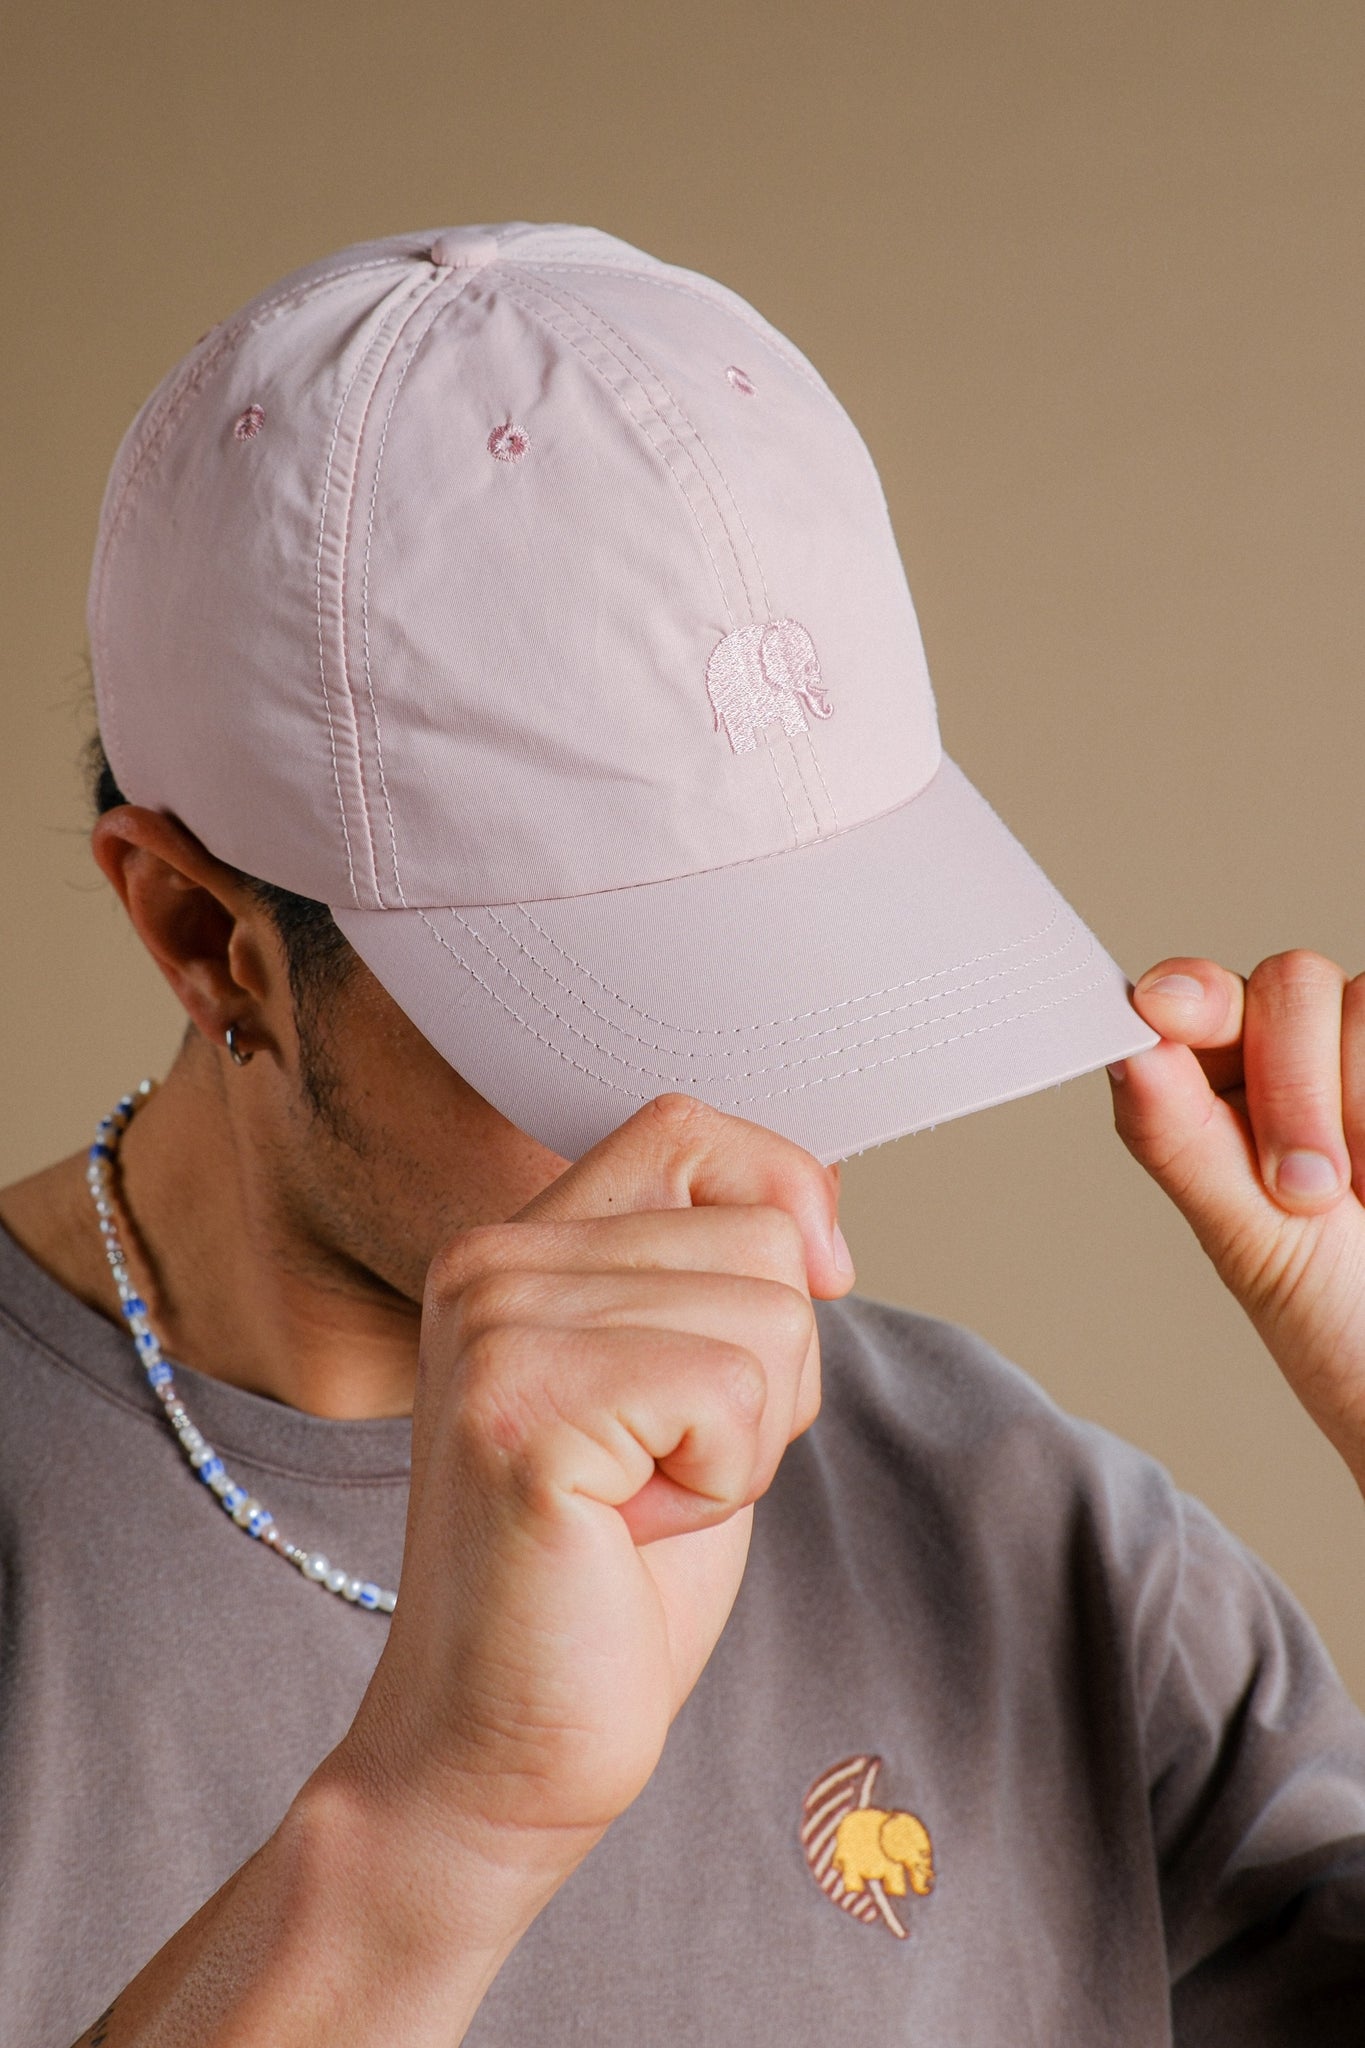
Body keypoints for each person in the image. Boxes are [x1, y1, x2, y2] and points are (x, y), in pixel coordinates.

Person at [1, 221, 1363, 2047]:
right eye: (625, 1006)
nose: (779, 1133)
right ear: (199, 936)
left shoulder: (1018, 1524)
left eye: (815, 974)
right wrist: (438, 1829)